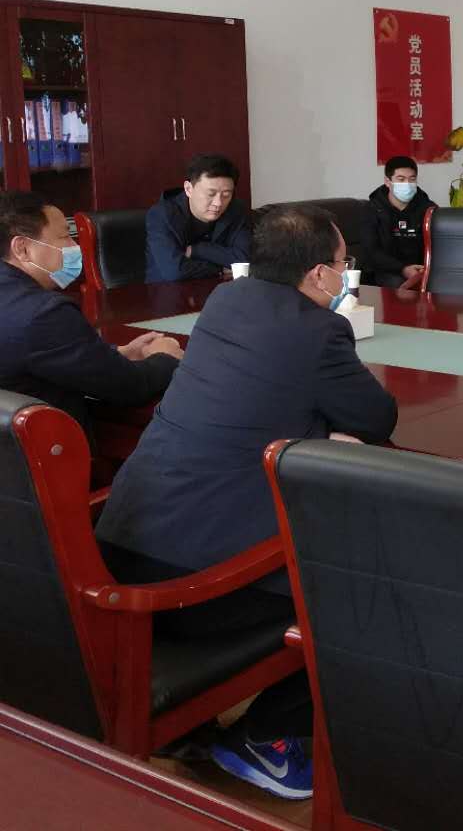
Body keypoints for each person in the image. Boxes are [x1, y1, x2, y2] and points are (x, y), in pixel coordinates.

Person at [97, 204, 398, 800]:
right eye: (342, 264)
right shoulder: (318, 330)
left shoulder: (224, 302)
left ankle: (195, 725)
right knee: (368, 580)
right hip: (194, 589)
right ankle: (267, 740)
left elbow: (257, 397)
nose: (344, 275)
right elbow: (375, 416)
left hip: (118, 550)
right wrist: (318, 432)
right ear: (319, 274)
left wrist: (306, 429)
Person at [0, 191, 181, 434]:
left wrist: (116, 354)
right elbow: (130, 387)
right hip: (53, 447)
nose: (75, 247)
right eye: (64, 236)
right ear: (22, 248)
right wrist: (165, 357)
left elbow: (44, 357)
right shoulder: (43, 314)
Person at [145, 153, 251, 282]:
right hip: (168, 290)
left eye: (226, 195)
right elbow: (174, 271)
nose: (218, 203)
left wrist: (198, 250)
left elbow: (244, 261)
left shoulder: (237, 210)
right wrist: (219, 269)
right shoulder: (162, 214)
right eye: (210, 194)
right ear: (188, 189)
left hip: (219, 290)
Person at [366, 155, 436, 288]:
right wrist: (403, 269)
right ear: (388, 181)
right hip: (386, 271)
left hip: (422, 269)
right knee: (397, 283)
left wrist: (424, 268)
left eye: (412, 179)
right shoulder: (372, 209)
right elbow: (371, 251)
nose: (407, 184)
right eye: (401, 179)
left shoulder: (429, 209)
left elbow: (437, 246)